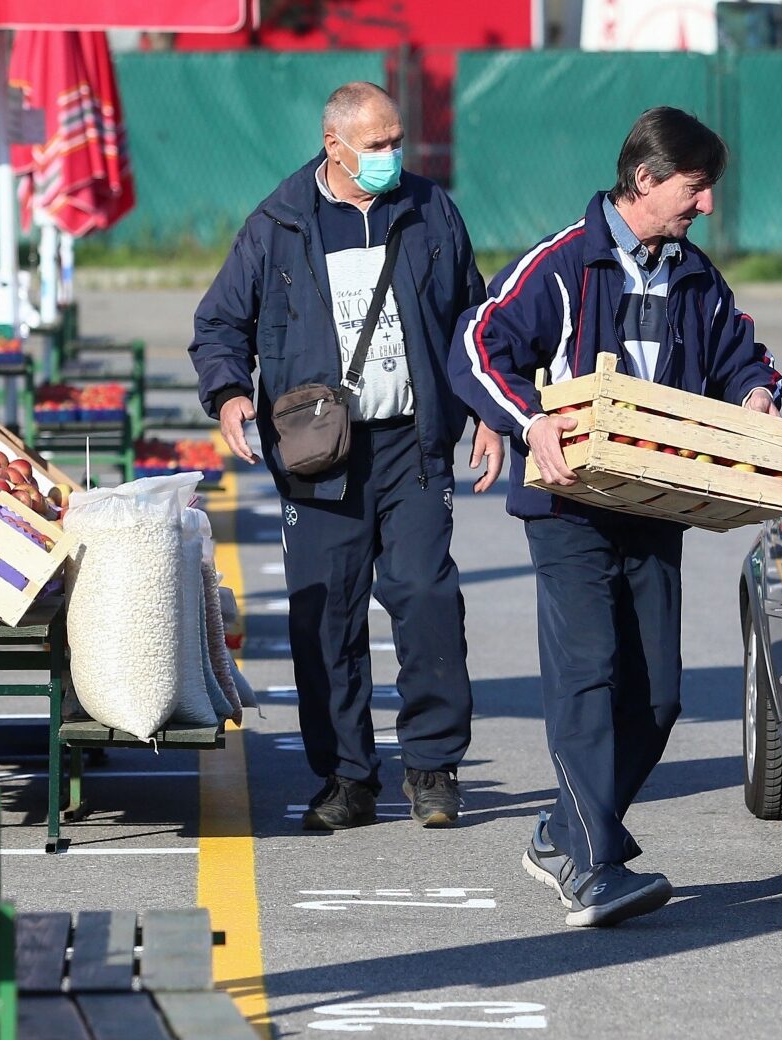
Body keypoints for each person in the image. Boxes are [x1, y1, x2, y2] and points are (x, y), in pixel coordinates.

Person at [448, 107, 782, 927]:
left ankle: (565, 829)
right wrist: (529, 420)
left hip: (653, 501)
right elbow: (476, 345)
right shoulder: (563, 266)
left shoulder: (695, 274)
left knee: (659, 698)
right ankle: (591, 872)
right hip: (568, 508)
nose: (705, 205)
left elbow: (744, 351)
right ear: (645, 180)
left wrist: (756, 393)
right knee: (588, 678)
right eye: (695, 188)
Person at [190, 82, 502, 831]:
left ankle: (432, 767)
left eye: (398, 142)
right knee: (325, 616)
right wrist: (231, 393)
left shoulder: (431, 211)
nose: (394, 157)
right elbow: (220, 322)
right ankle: (347, 777)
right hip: (318, 452)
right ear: (334, 145)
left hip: (414, 446)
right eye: (378, 145)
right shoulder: (278, 223)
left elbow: (476, 318)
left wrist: (492, 414)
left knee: (425, 596)